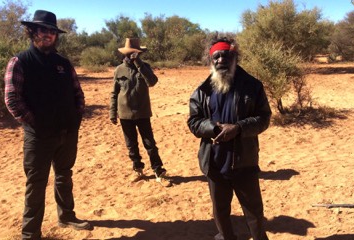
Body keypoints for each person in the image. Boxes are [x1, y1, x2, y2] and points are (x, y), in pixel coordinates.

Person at [4, 10, 92, 239]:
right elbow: (12, 99)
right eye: (43, 30)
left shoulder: (63, 63)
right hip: (39, 136)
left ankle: (67, 216)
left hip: (67, 132)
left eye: (52, 31)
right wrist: (35, 124)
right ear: (32, 31)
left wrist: (76, 119)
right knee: (36, 183)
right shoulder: (20, 61)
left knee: (64, 175)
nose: (48, 35)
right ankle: (30, 233)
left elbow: (77, 93)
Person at [187, 37, 272, 240]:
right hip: (214, 163)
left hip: (244, 162)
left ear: (235, 57)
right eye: (216, 57)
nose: (221, 60)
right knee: (221, 212)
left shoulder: (252, 86)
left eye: (226, 55)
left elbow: (264, 118)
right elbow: (194, 121)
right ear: (210, 60)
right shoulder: (202, 91)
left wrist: (239, 128)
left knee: (254, 213)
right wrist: (212, 129)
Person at [110, 38, 171, 187]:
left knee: (150, 144)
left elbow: (152, 82)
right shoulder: (119, 69)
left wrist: (139, 64)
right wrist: (113, 112)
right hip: (125, 114)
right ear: (125, 53)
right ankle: (138, 169)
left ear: (139, 53)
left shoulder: (145, 67)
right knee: (131, 145)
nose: (132, 55)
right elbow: (114, 92)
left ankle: (159, 172)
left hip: (143, 113)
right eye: (130, 52)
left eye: (135, 52)